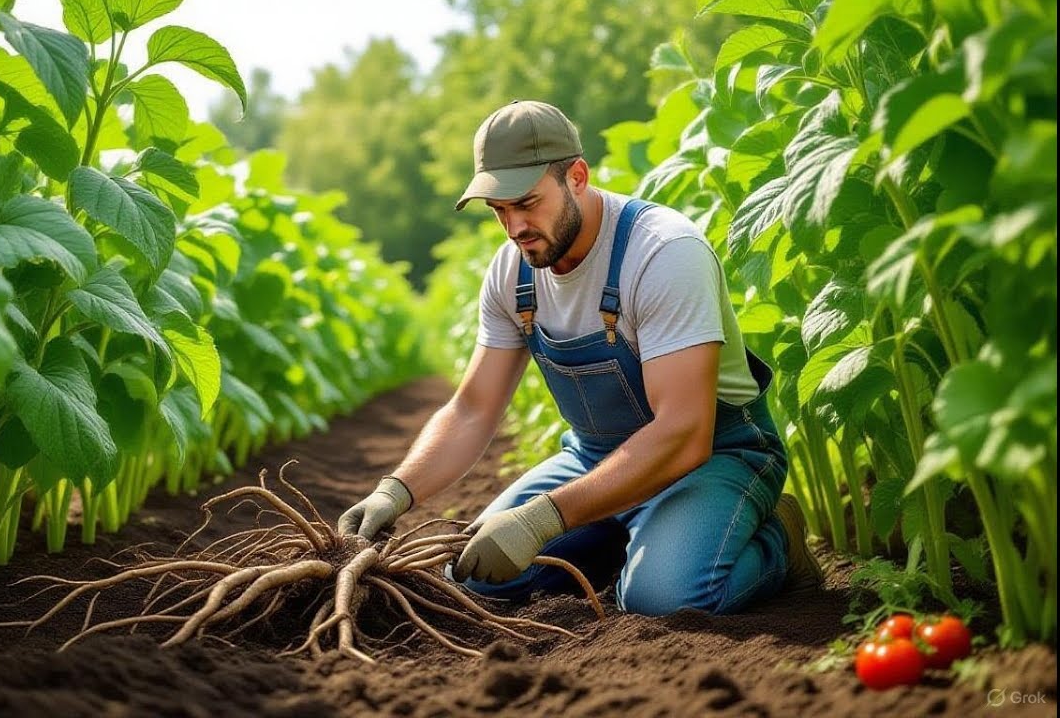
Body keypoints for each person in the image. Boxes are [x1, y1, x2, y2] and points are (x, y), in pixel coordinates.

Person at [338, 100, 823, 615]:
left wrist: (542, 520)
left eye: (526, 203)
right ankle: (628, 540)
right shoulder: (513, 274)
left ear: (576, 176)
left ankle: (777, 544)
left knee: (666, 598)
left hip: (715, 458)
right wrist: (394, 493)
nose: (514, 226)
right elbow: (473, 409)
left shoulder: (662, 252)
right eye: (499, 210)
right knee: (476, 581)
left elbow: (684, 432)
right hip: (593, 459)